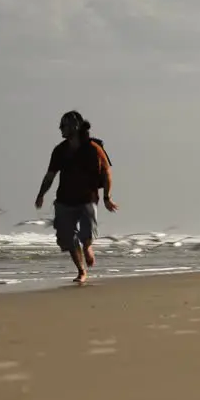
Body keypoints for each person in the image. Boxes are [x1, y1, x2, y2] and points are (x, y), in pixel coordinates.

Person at [35, 110, 118, 283]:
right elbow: (50, 175)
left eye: (63, 125)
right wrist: (41, 194)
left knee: (86, 235)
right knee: (66, 237)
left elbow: (106, 174)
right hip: (64, 200)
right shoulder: (60, 151)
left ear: (75, 126)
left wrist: (107, 197)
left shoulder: (94, 149)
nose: (60, 129)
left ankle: (87, 246)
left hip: (87, 200)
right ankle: (81, 271)